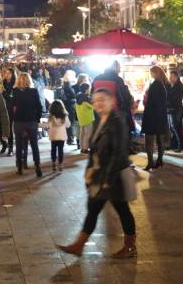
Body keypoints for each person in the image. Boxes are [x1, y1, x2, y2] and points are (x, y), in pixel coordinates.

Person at [57, 88, 137, 259]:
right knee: (94, 209)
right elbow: (94, 151)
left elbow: (118, 153)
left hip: (115, 176)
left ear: (111, 101)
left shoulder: (117, 121)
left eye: (102, 99)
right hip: (101, 175)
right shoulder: (99, 120)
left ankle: (130, 246)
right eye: (95, 100)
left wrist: (107, 179)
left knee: (122, 210)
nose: (98, 103)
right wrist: (90, 170)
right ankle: (79, 245)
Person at [12, 72, 44, 177]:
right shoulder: (34, 91)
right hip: (31, 121)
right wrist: (37, 118)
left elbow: (12, 106)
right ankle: (37, 166)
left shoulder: (15, 91)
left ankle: (19, 167)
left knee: (19, 145)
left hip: (19, 121)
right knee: (34, 145)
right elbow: (39, 107)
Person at [142, 66, 170, 171]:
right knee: (160, 140)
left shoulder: (155, 85)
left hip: (151, 116)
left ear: (156, 73)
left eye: (151, 72)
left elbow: (151, 102)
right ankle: (159, 160)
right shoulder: (163, 85)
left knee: (149, 140)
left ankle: (150, 162)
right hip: (160, 116)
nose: (150, 74)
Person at [48, 99, 71, 172]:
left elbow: (49, 125)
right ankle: (60, 165)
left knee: (53, 149)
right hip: (61, 136)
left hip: (53, 136)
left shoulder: (51, 116)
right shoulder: (64, 116)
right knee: (60, 150)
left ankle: (53, 163)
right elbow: (68, 125)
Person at [168, 71, 183, 152]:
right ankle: (175, 144)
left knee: (176, 127)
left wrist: (167, 103)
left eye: (171, 77)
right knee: (174, 127)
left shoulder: (178, 86)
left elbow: (175, 99)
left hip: (176, 109)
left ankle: (180, 145)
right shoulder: (174, 85)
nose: (170, 78)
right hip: (174, 109)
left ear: (176, 77)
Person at [75, 83, 95, 154]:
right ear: (86, 89)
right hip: (88, 118)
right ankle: (85, 148)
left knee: (82, 133)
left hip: (81, 118)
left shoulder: (78, 97)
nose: (89, 90)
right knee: (88, 134)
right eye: (88, 89)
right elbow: (93, 106)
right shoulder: (86, 98)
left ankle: (82, 148)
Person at [1, 67, 17, 155]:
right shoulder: (2, 82)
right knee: (1, 127)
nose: (7, 75)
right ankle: (4, 144)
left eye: (9, 73)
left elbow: (11, 97)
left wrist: (4, 93)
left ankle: (10, 148)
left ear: (12, 74)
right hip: (2, 107)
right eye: (6, 73)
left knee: (9, 127)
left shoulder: (15, 83)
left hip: (11, 108)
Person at [62, 70, 77, 146]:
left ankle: (69, 139)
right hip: (69, 106)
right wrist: (75, 99)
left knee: (69, 122)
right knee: (70, 122)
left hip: (66, 106)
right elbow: (73, 96)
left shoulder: (65, 84)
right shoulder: (68, 86)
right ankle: (70, 139)